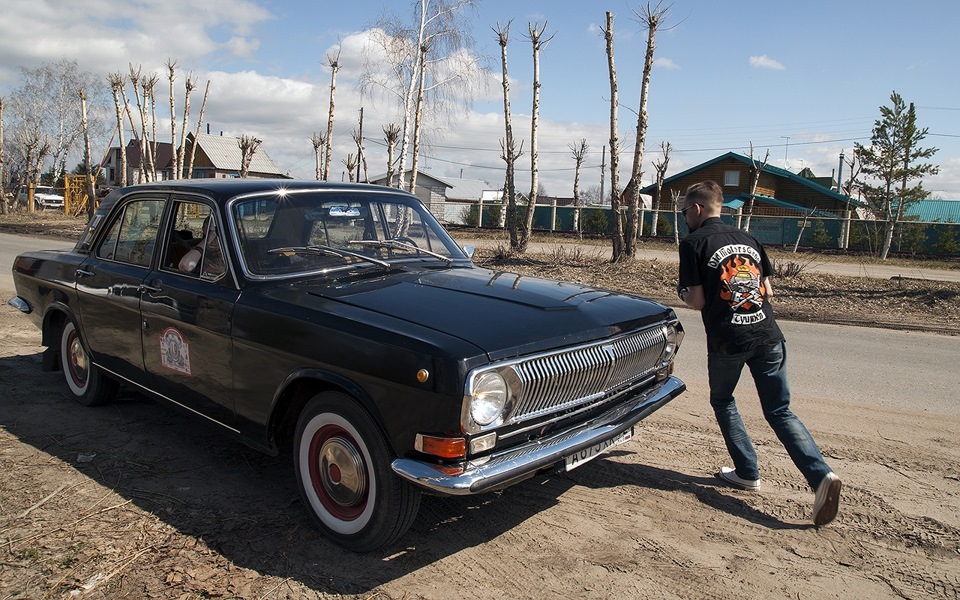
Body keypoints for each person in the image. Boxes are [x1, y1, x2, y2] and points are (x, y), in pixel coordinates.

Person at [677, 180, 841, 527]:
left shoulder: (693, 242)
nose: (683, 217)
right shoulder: (749, 240)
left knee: (723, 401)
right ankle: (821, 476)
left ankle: (748, 472)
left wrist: (681, 293)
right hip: (768, 336)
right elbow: (767, 290)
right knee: (780, 410)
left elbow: (698, 300)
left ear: (696, 209)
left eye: (683, 211)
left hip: (728, 341)